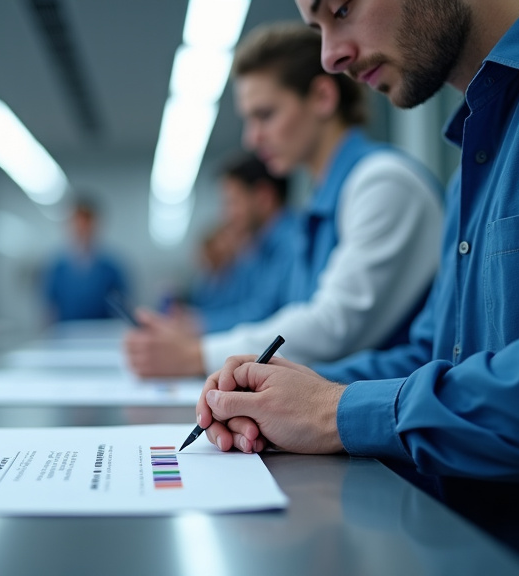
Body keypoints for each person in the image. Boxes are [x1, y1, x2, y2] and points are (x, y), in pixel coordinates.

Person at [198, 1, 519, 573]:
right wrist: (292, 397)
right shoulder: (479, 148)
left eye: (342, 8)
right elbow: (433, 353)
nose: (331, 56)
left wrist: (336, 411)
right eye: (318, 29)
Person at [125, 24, 443, 378]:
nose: (252, 138)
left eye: (265, 115)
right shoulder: (326, 199)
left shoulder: (383, 184)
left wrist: (196, 356)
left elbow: (332, 327)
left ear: (322, 97)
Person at [185, 152, 298, 334]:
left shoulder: (294, 243)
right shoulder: (258, 250)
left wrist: (198, 324)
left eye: (232, 202)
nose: (225, 215)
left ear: (263, 197)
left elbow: (266, 316)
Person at [43, 198, 128, 323]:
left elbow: (123, 308)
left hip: (103, 335)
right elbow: (49, 309)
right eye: (78, 225)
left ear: (95, 226)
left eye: (86, 225)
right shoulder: (57, 269)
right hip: (65, 336)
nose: (82, 230)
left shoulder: (111, 268)